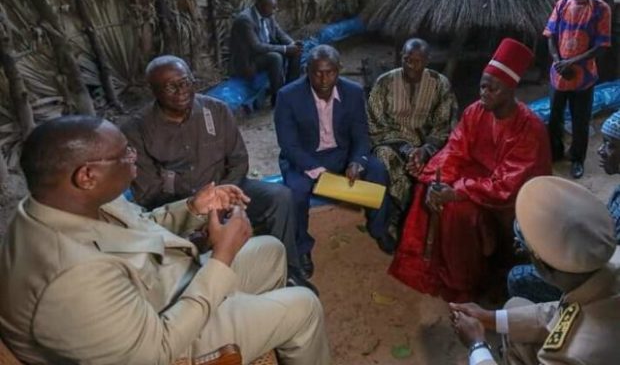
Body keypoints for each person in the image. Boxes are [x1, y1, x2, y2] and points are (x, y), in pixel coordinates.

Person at [0, 116, 330, 365]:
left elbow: (140, 226)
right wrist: (222, 257)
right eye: (124, 154)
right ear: (87, 176)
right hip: (166, 338)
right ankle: (259, 325)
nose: (134, 157)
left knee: (270, 250)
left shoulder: (66, 202)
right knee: (304, 306)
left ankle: (253, 323)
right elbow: (156, 351)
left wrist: (192, 208)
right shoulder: (70, 279)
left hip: (163, 290)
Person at [122, 55, 314, 290]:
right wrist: (194, 212)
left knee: (280, 197)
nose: (181, 90)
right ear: (153, 90)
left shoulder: (216, 111)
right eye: (170, 86)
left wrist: (223, 198)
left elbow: (238, 160)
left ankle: (289, 273)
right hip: (179, 206)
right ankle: (204, 290)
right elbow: (148, 193)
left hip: (226, 189)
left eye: (185, 82)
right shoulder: (136, 129)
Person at [390, 38, 552, 302]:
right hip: (478, 180)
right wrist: (436, 179)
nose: (484, 93)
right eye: (482, 86)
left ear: (511, 90)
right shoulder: (476, 111)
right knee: (425, 190)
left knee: (459, 211)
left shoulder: (530, 128)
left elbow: (506, 186)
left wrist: (457, 191)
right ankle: (431, 265)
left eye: (493, 89)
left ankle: (465, 282)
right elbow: (456, 148)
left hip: (515, 197)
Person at [450, 176, 620, 365]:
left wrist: (477, 345)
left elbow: (570, 324)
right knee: (514, 307)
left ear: (545, 267)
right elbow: (565, 313)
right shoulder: (609, 261)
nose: (517, 246)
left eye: (525, 247)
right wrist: (489, 318)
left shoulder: (572, 354)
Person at [274, 44, 396, 277]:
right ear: (307, 71)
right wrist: (317, 171)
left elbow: (360, 134)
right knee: (295, 193)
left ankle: (379, 228)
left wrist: (357, 161)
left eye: (329, 72)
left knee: (379, 171)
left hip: (341, 153)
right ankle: (302, 248)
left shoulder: (353, 92)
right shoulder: (288, 96)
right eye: (317, 72)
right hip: (304, 158)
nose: (323, 79)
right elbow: (289, 145)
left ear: (338, 70)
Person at [507, 109, 620, 303]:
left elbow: (602, 263)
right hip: (603, 264)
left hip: (606, 284)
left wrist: (539, 252)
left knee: (517, 277)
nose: (600, 151)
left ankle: (565, 315)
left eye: (609, 145)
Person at [367, 38, 456, 234]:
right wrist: (406, 149)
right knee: (384, 158)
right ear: (401, 57)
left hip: (429, 148)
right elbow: (375, 124)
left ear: (427, 60)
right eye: (407, 60)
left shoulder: (440, 84)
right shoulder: (384, 82)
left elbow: (444, 125)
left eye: (418, 61)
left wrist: (425, 151)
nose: (412, 66)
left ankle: (420, 222)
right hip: (392, 145)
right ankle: (397, 219)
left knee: (443, 167)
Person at [544, 0, 611, 179]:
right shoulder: (562, 4)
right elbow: (550, 35)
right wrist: (558, 61)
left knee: (580, 120)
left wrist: (572, 63)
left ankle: (577, 159)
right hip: (559, 74)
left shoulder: (601, 9)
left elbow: (601, 46)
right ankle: (555, 153)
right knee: (554, 118)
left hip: (583, 77)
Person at [229, 0, 302, 105]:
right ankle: (278, 99)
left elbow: (280, 34)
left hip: (264, 53)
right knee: (275, 57)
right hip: (249, 60)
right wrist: (285, 49)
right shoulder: (245, 20)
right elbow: (256, 47)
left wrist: (293, 45)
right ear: (261, 6)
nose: (275, 9)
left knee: (296, 52)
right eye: (272, 7)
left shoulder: (268, 16)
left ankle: (290, 91)